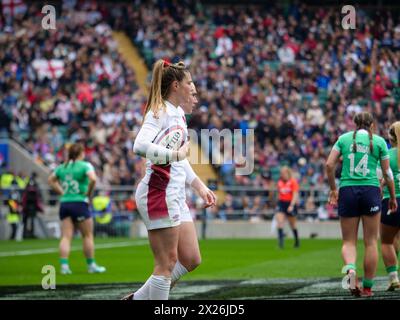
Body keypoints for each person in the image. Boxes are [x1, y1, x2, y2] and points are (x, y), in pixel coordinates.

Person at [122, 60, 216, 300]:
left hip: (174, 194)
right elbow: (139, 145)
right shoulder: (160, 111)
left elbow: (180, 160)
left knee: (191, 258)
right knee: (166, 264)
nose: (194, 89)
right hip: (159, 193)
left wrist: (199, 185)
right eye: (190, 84)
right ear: (176, 85)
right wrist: (175, 154)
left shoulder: (178, 115)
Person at [326, 112, 397, 297]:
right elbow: (388, 173)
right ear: (372, 124)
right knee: (371, 242)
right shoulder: (380, 142)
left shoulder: (343, 139)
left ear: (354, 124)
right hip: (371, 191)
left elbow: (328, 165)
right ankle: (367, 288)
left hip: (348, 190)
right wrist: (392, 197)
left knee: (349, 242)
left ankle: (350, 271)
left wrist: (334, 189)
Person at [48, 143, 106, 275]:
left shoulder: (63, 167)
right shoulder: (85, 165)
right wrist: (88, 193)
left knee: (66, 237)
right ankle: (91, 265)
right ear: (81, 153)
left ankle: (64, 267)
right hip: (79, 203)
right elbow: (93, 179)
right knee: (87, 235)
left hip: (65, 204)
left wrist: (61, 192)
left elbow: (51, 180)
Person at [379, 121, 400, 291]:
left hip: (392, 202)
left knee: (387, 241)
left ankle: (393, 278)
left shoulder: (387, 155)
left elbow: (383, 179)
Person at [274, 166, 300, 249]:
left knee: (292, 224)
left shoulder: (293, 182)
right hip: (281, 203)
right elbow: (279, 193)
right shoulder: (279, 182)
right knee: (280, 222)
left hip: (290, 203)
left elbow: (295, 194)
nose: (282, 175)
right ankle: (281, 243)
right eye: (281, 173)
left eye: (283, 173)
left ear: (287, 173)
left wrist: (292, 205)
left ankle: (296, 241)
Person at [21, 173, 43, 238]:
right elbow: (38, 198)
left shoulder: (27, 186)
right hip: (32, 206)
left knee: (27, 221)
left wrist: (23, 206)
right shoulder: (35, 186)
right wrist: (39, 208)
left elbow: (24, 197)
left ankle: (25, 234)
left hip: (27, 206)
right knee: (31, 221)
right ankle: (30, 234)